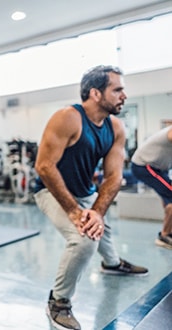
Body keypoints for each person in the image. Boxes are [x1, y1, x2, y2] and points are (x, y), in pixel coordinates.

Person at [34, 65, 148, 330]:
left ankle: (112, 264)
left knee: (101, 226)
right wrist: (75, 211)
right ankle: (59, 302)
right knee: (85, 240)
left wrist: (96, 211)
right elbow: (44, 167)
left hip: (85, 191)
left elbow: (113, 177)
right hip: (50, 190)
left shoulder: (116, 127)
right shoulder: (68, 117)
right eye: (117, 89)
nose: (124, 95)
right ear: (96, 93)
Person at [131, 126, 172, 249]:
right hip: (144, 166)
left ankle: (168, 232)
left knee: (168, 200)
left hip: (159, 168)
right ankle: (164, 236)